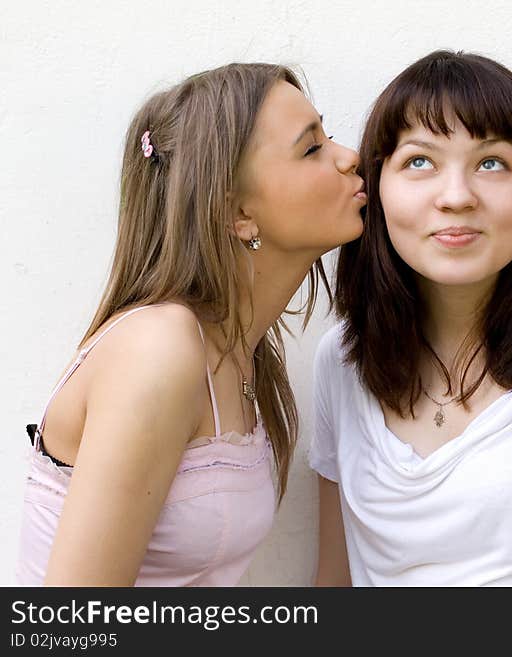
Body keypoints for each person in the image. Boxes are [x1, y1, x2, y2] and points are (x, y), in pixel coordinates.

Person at [16, 62, 366, 586]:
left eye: (329, 135)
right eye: (311, 148)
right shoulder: (159, 348)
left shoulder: (240, 353)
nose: (350, 157)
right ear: (236, 213)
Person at [308, 50, 512, 586]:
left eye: (491, 163)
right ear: (377, 189)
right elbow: (334, 582)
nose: (456, 197)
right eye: (419, 162)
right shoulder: (342, 359)